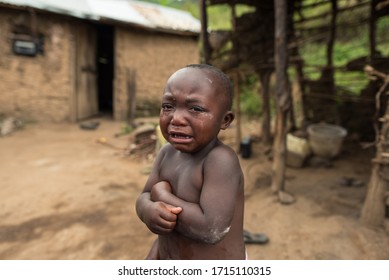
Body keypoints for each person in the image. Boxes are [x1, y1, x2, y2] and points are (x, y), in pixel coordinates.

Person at [135, 64, 245, 260]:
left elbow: (211, 229)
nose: (176, 118)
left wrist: (162, 195)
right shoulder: (167, 153)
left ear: (224, 121)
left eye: (195, 109)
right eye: (168, 106)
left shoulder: (220, 160)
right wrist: (147, 211)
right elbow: (144, 196)